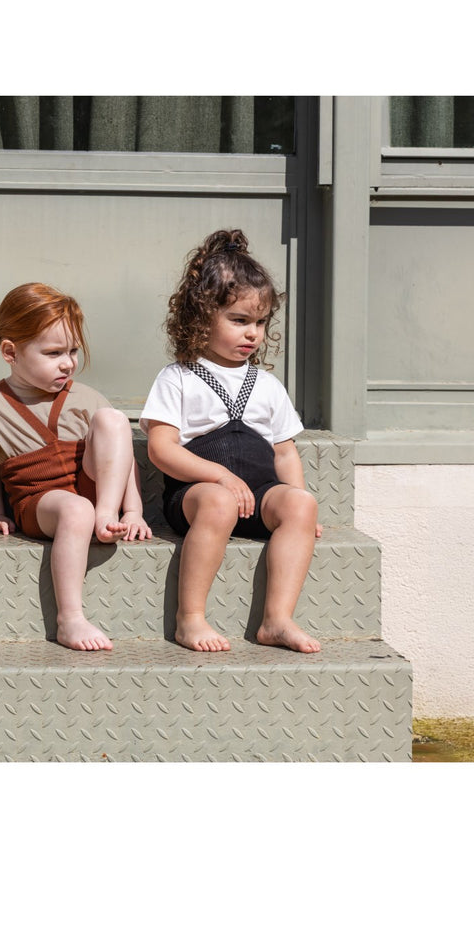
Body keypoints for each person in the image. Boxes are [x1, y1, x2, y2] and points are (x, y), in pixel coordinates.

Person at [141, 229, 322, 655]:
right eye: (239, 321)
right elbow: (161, 449)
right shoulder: (179, 377)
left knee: (301, 504)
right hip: (198, 496)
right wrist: (218, 476)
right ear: (200, 318)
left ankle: (276, 620)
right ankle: (190, 617)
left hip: (258, 496)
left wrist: (298, 501)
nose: (252, 334)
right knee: (219, 502)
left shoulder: (267, 385)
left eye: (260, 323)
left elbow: (284, 452)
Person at [0, 282, 152, 651]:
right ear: (10, 352)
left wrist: (133, 511)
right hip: (41, 502)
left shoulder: (86, 397)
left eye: (72, 350)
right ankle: (69, 618)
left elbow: (123, 457)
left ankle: (107, 517)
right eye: (53, 353)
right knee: (76, 508)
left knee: (113, 420)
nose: (68, 363)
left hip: (91, 490)